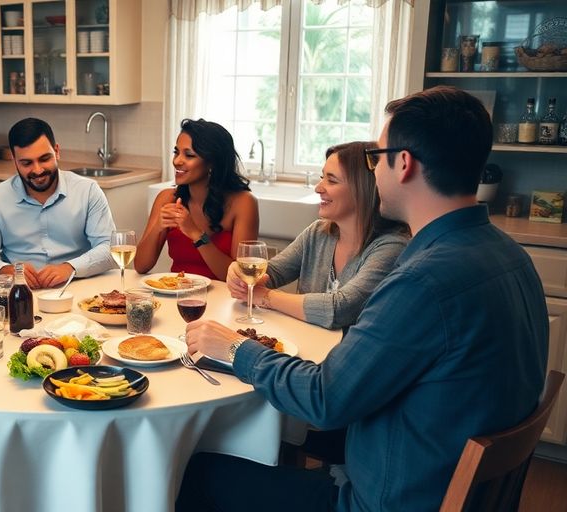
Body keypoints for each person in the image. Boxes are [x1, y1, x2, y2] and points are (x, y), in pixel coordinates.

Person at [178, 86, 549, 511]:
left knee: (198, 471)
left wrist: (236, 348)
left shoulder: (422, 281)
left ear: (404, 164)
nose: (372, 170)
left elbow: (324, 399)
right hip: (441, 480)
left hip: (385, 499)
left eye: (376, 157)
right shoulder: (511, 255)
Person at [225, 141, 409, 330]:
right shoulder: (317, 233)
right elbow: (273, 272)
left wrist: (265, 296)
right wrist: (239, 276)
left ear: (362, 188)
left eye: (332, 180)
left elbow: (340, 309)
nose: (318, 188)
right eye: (322, 178)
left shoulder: (392, 247)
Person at [0, 117, 116, 288]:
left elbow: (109, 248)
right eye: (26, 163)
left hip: (77, 285)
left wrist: (70, 267)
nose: (38, 170)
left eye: (44, 159)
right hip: (21, 292)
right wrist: (5, 269)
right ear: (14, 159)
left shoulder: (88, 191)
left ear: (57, 151)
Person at [134, 119, 258, 281]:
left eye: (189, 155)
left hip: (225, 301)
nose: (177, 161)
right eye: (176, 152)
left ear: (212, 162)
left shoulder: (244, 203)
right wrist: (158, 226)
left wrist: (196, 234)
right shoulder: (167, 198)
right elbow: (141, 266)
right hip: (178, 297)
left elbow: (241, 278)